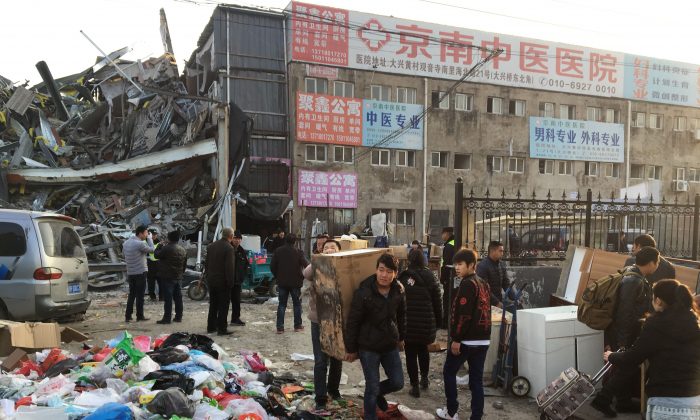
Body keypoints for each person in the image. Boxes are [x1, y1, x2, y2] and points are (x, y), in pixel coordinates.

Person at [602, 279, 700, 419]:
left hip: (664, 402)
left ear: (658, 301)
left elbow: (633, 358)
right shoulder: (695, 323)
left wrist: (611, 356)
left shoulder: (656, 325)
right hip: (694, 401)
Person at [591, 246, 660, 417]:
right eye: (657, 262)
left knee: (626, 367)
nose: (658, 265)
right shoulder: (633, 281)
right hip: (624, 332)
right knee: (627, 367)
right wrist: (622, 342)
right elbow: (624, 313)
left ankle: (622, 402)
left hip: (625, 331)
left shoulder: (634, 274)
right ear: (651, 263)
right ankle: (602, 399)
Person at [345, 253, 406, 420]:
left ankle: (378, 393)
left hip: (389, 344)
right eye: (381, 270)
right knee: (371, 387)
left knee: (397, 382)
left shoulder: (398, 290)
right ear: (376, 270)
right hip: (368, 346)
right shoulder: (364, 292)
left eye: (389, 272)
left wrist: (401, 338)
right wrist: (351, 348)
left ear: (395, 273)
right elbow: (353, 321)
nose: (384, 275)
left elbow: (401, 315)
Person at [437, 249, 491, 420]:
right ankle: (476, 417)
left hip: (467, 340)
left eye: (460, 264)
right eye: (456, 265)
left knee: (449, 372)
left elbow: (464, 315)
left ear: (472, 265)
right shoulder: (483, 283)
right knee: (476, 381)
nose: (457, 268)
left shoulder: (468, 284)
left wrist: (457, 339)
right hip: (483, 340)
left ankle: (451, 411)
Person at [303, 238, 343, 409]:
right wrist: (319, 259)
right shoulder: (317, 264)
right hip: (318, 320)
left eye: (333, 247)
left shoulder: (344, 264)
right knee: (320, 360)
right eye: (326, 248)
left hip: (338, 321)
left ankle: (333, 390)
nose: (329, 249)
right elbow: (306, 274)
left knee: (337, 357)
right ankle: (320, 398)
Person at [398, 248, 442, 398]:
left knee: (410, 353)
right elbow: (438, 300)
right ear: (423, 259)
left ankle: (414, 386)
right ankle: (424, 378)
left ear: (409, 260)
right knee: (423, 350)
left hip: (408, 322)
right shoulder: (430, 275)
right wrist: (439, 320)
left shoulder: (403, 277)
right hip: (426, 322)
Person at [271, 234, 308, 334]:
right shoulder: (299, 252)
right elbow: (307, 265)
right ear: (295, 242)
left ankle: (280, 328)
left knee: (282, 304)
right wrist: (303, 276)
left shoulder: (278, 251)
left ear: (285, 241)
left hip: (282, 282)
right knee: (297, 304)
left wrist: (277, 276)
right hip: (296, 283)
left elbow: (272, 266)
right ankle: (298, 326)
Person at [205, 227, 236, 336]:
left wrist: (206, 276)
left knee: (213, 304)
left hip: (211, 280)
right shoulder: (229, 248)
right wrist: (231, 282)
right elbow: (229, 267)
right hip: (223, 281)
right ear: (231, 236)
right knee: (223, 305)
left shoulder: (211, 246)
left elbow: (207, 263)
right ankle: (222, 329)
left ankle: (211, 326)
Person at [123, 225, 155, 322]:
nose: (147, 235)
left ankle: (128, 316)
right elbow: (152, 250)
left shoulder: (126, 243)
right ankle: (140, 316)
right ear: (140, 233)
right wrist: (150, 239)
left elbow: (123, 254)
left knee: (132, 294)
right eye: (146, 233)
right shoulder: (140, 244)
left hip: (130, 272)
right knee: (140, 295)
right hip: (140, 272)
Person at [154, 230, 187, 324]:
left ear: (169, 238)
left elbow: (156, 255)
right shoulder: (182, 249)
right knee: (178, 298)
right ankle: (178, 317)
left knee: (168, 298)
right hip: (178, 276)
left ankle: (167, 318)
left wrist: (159, 246)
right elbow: (184, 265)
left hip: (167, 277)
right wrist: (180, 273)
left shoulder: (166, 248)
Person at [476, 241, 512, 307]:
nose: (502, 253)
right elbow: (483, 288)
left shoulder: (501, 264)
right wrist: (496, 302)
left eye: (502, 251)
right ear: (492, 251)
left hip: (498, 301)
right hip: (485, 304)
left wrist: (514, 297)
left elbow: (506, 283)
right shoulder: (482, 266)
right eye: (500, 251)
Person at [230, 230, 250, 326]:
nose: (237, 240)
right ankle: (220, 320)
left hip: (237, 281)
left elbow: (246, 264)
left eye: (238, 239)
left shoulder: (242, 251)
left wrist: (242, 275)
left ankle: (235, 318)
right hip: (227, 280)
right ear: (231, 238)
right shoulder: (228, 248)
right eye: (235, 238)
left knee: (236, 301)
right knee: (224, 302)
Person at [440, 227, 456, 328]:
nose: (442, 236)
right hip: (455, 277)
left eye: (443, 233)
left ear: (447, 234)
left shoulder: (449, 246)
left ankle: (446, 323)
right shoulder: (455, 242)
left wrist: (444, 279)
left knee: (447, 300)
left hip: (449, 277)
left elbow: (446, 264)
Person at [146, 228, 162, 301]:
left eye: (155, 235)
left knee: (161, 281)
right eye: (153, 234)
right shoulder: (145, 242)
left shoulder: (160, 243)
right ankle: (152, 296)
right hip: (149, 264)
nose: (155, 236)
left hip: (159, 264)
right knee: (151, 282)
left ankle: (162, 296)